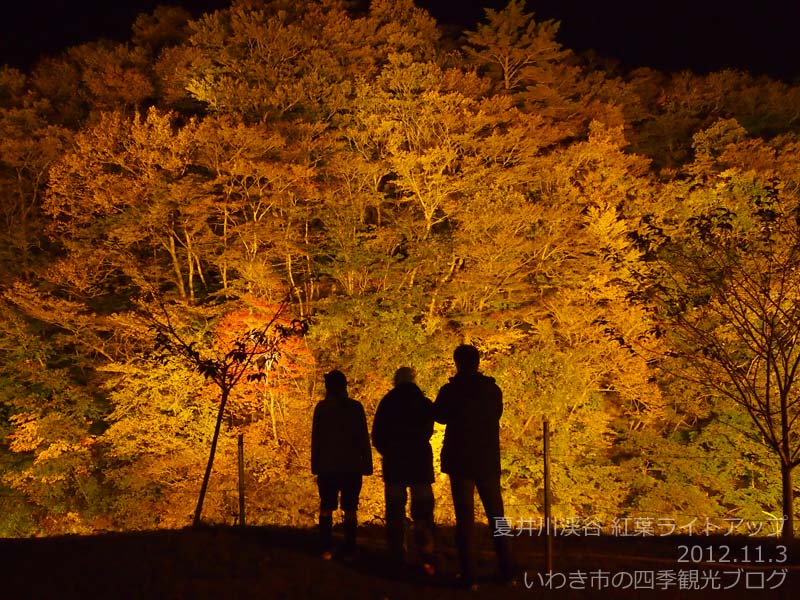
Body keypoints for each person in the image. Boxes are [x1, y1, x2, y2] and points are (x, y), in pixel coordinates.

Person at [433, 345, 513, 587]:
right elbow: (496, 414)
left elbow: (440, 416)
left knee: (465, 518)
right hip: (487, 460)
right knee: (497, 516)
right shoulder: (492, 390)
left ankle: (469, 575)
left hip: (460, 461)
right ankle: (508, 570)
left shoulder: (451, 390)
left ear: (457, 363)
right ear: (478, 362)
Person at [371, 367, 436, 574]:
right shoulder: (424, 403)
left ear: (395, 380)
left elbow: (377, 434)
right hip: (420, 462)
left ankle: (397, 553)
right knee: (423, 511)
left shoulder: (387, 403)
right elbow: (428, 429)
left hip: (395, 462)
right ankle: (426, 553)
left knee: (395, 511)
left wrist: (388, 451)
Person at [311, 370, 373, 560]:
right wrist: (367, 463)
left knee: (326, 506)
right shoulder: (355, 408)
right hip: (351, 464)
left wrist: (316, 464)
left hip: (328, 465)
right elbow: (363, 437)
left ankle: (325, 547)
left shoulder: (322, 409)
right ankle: (350, 547)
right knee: (350, 507)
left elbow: (317, 439)